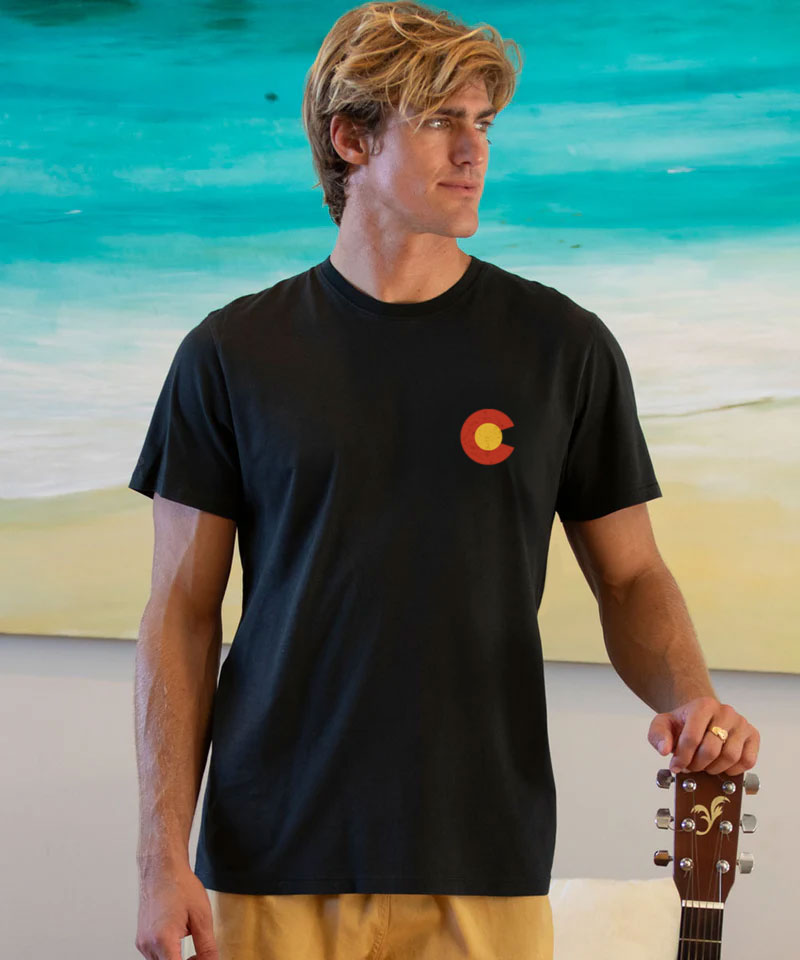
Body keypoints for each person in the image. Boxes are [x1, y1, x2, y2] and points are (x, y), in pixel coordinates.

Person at [130, 3, 761, 959]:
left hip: (485, 850)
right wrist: (159, 858)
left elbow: (632, 577)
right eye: (439, 121)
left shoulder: (563, 348)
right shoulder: (231, 354)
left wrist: (690, 695)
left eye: (485, 124)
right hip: (273, 851)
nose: (474, 151)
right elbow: (180, 611)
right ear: (351, 138)